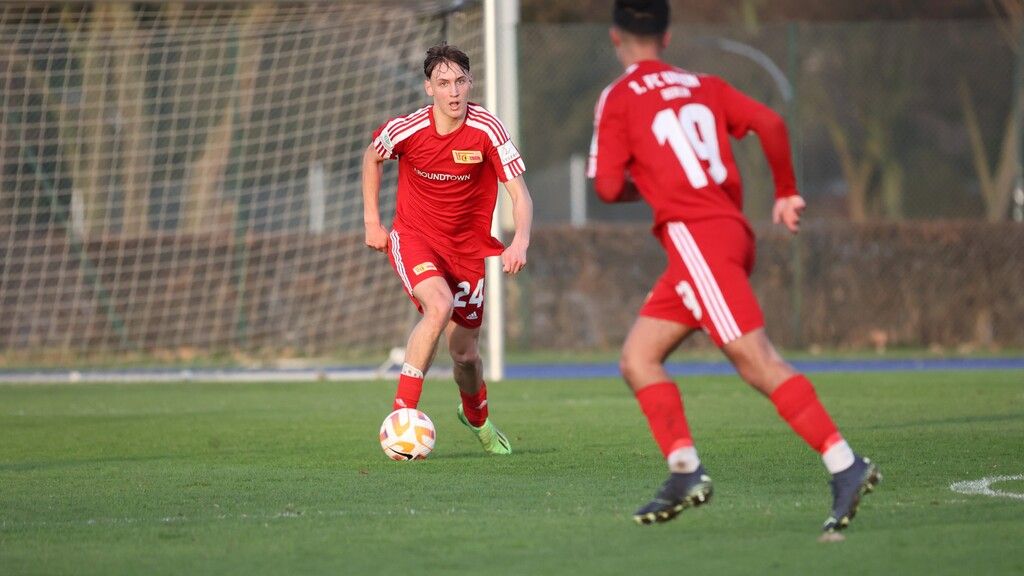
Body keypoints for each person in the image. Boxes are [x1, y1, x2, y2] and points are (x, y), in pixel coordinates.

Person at [588, 0, 880, 534]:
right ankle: (683, 470)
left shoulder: (620, 97)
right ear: (668, 37)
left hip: (696, 238)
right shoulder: (705, 84)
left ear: (615, 38)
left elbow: (606, 187)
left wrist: (651, 181)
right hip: (722, 234)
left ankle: (845, 463)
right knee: (638, 358)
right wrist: (786, 192)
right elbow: (769, 122)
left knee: (756, 360)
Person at [362, 43, 533, 456]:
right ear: (428, 88)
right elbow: (373, 156)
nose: (454, 92)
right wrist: (372, 221)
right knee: (437, 306)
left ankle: (477, 419)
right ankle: (403, 415)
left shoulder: (488, 129)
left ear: (470, 83)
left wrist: (520, 241)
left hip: (468, 253)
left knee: (466, 356)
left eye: (460, 81)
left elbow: (519, 193)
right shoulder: (409, 129)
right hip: (415, 237)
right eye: (443, 83)